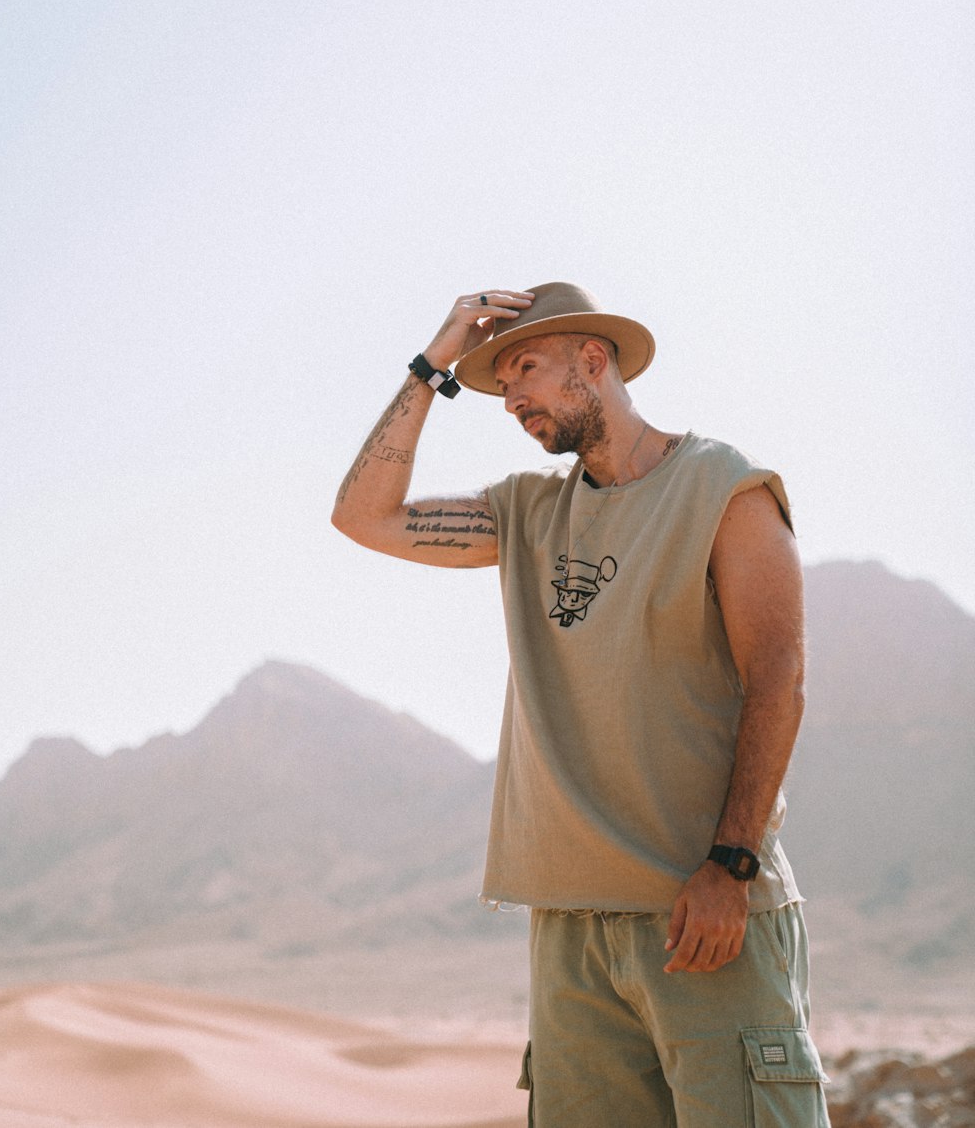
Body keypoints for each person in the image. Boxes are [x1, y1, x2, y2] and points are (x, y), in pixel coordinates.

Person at [332, 282, 830, 1127]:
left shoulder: (723, 487)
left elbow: (778, 681)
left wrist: (733, 865)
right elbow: (362, 516)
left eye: (525, 369)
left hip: (702, 913)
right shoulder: (526, 513)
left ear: (592, 361)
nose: (513, 398)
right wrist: (432, 364)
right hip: (568, 934)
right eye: (500, 385)